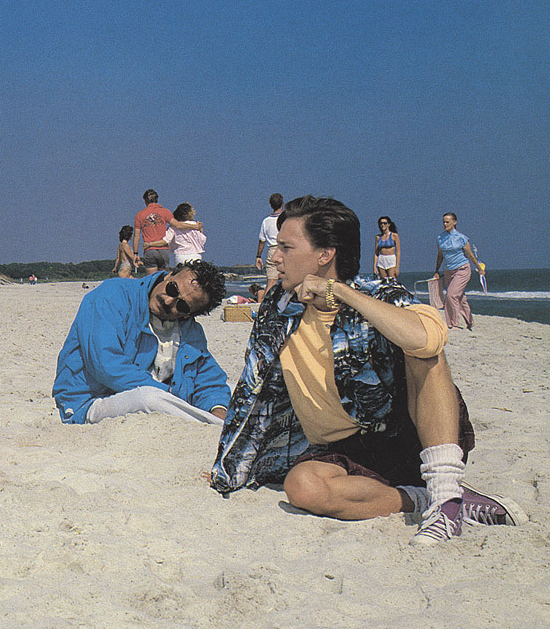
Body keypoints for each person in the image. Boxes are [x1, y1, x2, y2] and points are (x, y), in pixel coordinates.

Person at [210, 196, 525, 545]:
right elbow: (252, 391)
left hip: (408, 434)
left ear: (325, 254)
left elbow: (430, 337)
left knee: (423, 351)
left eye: (285, 246)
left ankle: (445, 494)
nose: (274, 256)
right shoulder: (276, 309)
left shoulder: (379, 293)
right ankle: (433, 499)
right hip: (343, 449)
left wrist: (340, 292)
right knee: (303, 487)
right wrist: (228, 466)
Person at [53, 260, 230, 425]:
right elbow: (106, 365)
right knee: (149, 398)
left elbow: (209, 379)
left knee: (234, 388)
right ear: (168, 275)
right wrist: (170, 395)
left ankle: (218, 425)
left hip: (162, 400)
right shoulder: (111, 296)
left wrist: (218, 408)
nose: (168, 301)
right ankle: (217, 429)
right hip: (88, 404)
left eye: (182, 305)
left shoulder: (191, 331)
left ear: (188, 315)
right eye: (172, 289)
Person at [434, 212, 484, 330]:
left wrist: (479, 268)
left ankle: (453, 324)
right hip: (448, 271)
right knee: (460, 298)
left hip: (462, 269)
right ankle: (470, 322)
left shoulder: (461, 238)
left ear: (454, 222)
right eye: (444, 222)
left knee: (451, 295)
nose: (445, 224)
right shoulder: (440, 238)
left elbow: (470, 255)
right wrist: (436, 271)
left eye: (447, 222)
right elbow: (440, 256)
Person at [133, 189, 201, 275]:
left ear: (145, 201)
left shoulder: (139, 215)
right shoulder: (165, 212)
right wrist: (195, 226)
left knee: (151, 280)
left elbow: (136, 236)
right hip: (163, 250)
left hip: (149, 249)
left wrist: (135, 253)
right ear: (157, 200)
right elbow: (178, 225)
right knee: (163, 280)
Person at [255, 192, 284, 292]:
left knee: (271, 282)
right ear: (282, 204)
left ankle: (266, 306)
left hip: (272, 250)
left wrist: (258, 256)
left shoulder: (266, 221)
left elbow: (262, 240)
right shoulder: (286, 219)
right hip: (285, 250)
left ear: (271, 205)